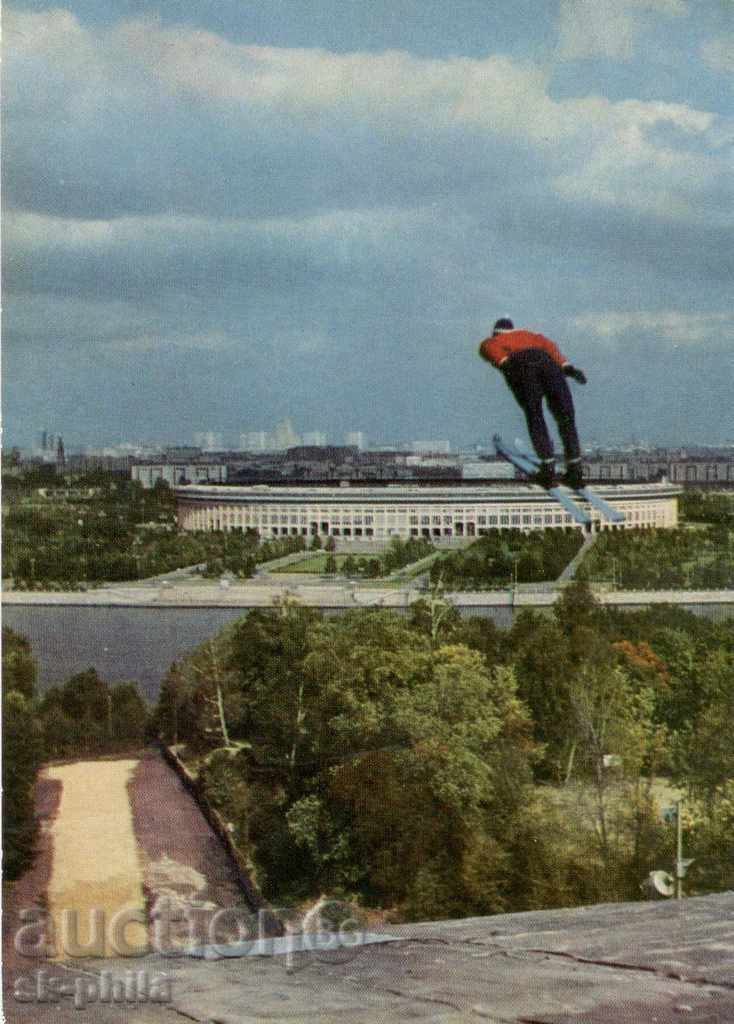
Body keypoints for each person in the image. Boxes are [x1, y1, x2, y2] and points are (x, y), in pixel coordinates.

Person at [478, 318, 586, 489]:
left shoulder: (491, 341)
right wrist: (568, 368)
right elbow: (550, 347)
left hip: (522, 367)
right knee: (566, 418)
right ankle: (575, 471)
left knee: (534, 415)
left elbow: (496, 356)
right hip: (551, 366)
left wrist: (511, 369)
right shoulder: (532, 336)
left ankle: (548, 470)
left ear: (495, 332)